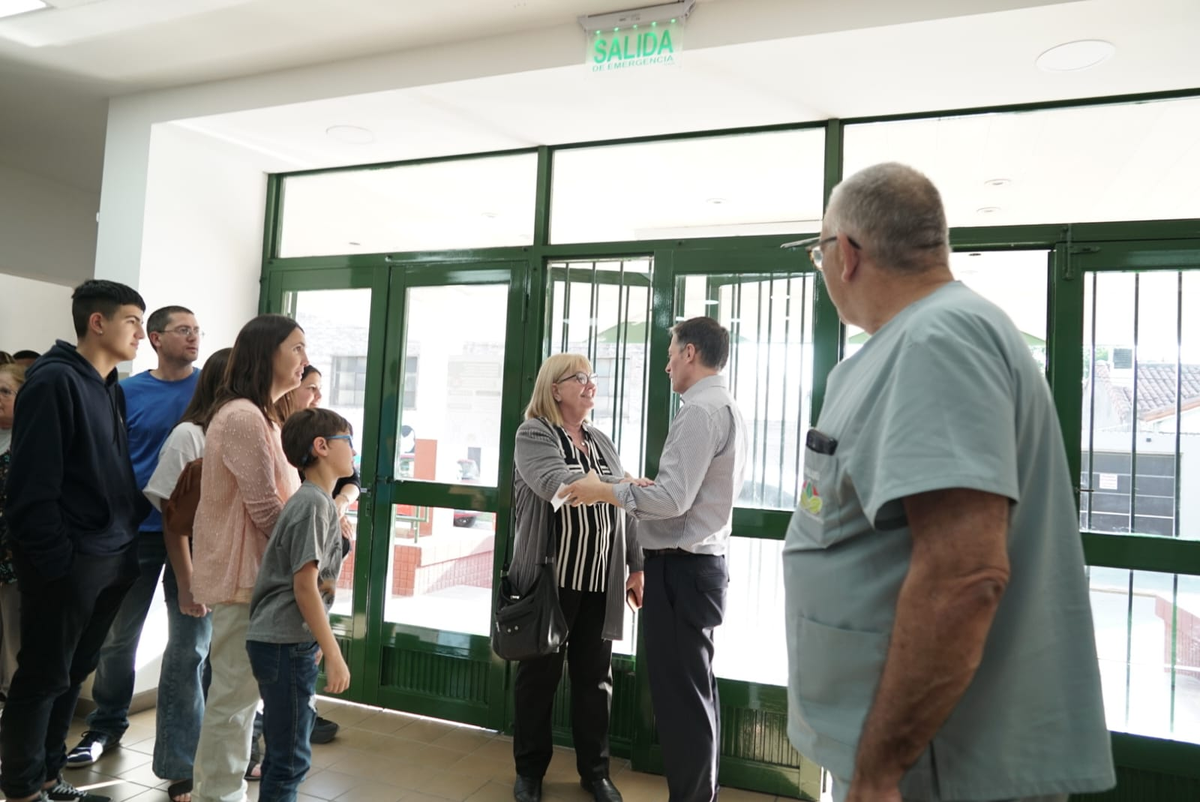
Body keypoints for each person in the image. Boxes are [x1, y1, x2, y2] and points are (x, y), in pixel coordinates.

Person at [778, 162, 1116, 802]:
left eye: (818, 250)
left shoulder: (939, 340)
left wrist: (879, 772)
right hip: (916, 753)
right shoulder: (919, 338)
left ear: (846, 254)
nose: (822, 266)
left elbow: (963, 577)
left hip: (934, 763)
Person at [562, 319, 746, 802]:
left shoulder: (700, 412)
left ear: (690, 353)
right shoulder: (723, 406)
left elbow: (673, 500)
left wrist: (604, 489)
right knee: (695, 695)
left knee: (680, 701)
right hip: (696, 569)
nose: (665, 366)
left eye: (669, 354)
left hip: (681, 571)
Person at [0, 279, 149, 802]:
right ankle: (20, 789)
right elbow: (31, 488)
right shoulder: (53, 380)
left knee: (71, 675)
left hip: (111, 557)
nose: (141, 334)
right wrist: (57, 564)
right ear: (98, 322)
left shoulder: (107, 384)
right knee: (41, 677)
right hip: (69, 565)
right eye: (133, 321)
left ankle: (46, 774)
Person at [69, 306, 201, 773]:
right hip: (137, 533)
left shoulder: (209, 390)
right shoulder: (124, 392)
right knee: (118, 639)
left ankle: (184, 751)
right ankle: (105, 724)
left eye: (197, 330)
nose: (193, 337)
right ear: (155, 337)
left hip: (193, 538)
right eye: (183, 330)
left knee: (191, 646)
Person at [508, 354, 643, 802]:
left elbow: (628, 514)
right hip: (551, 579)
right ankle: (529, 772)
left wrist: (636, 565)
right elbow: (560, 486)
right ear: (555, 389)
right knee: (538, 679)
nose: (590, 384)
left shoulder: (600, 440)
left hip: (601, 579)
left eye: (592, 378)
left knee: (594, 680)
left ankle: (595, 772)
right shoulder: (533, 434)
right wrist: (620, 486)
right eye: (579, 378)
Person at [190, 314, 306, 802]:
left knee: (241, 699)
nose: (304, 359)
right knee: (234, 701)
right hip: (244, 579)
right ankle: (216, 794)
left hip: (260, 578)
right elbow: (264, 507)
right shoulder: (241, 416)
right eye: (296, 348)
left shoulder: (264, 416)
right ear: (267, 353)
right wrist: (311, 548)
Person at [245, 407, 354, 802]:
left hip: (289, 641)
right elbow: (305, 586)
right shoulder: (312, 504)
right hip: (283, 641)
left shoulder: (320, 501)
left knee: (285, 755)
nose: (353, 452)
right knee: (290, 759)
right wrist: (333, 651)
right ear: (321, 447)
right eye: (348, 442)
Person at [139, 346, 232, 802]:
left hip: (234, 560)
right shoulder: (189, 436)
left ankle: (219, 757)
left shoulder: (256, 430)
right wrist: (188, 580)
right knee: (190, 654)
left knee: (225, 660)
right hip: (196, 557)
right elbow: (170, 515)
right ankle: (180, 763)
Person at [0, 363, 26, 701]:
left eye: (5, 392)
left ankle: (13, 698)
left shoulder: (29, 439)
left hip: (15, 553)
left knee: (13, 632)